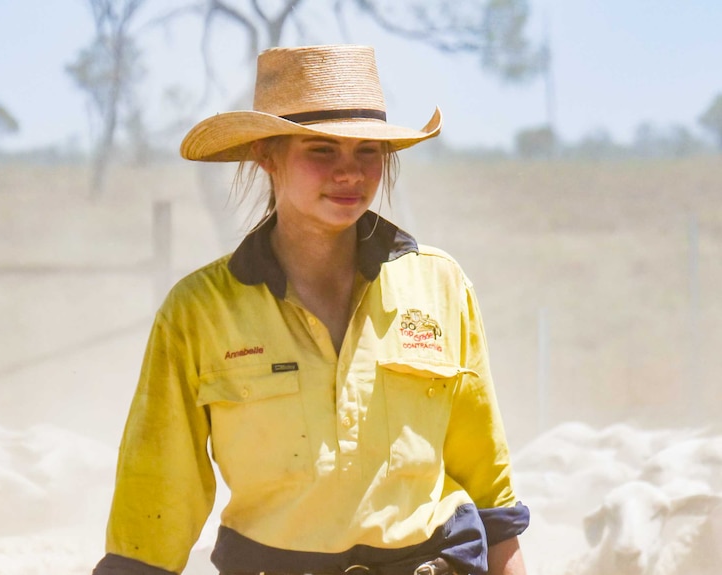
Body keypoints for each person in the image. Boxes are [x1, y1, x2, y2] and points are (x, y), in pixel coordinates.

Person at [93, 44, 529, 575]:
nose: (349, 172)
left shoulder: (440, 284)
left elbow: (489, 485)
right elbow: (155, 498)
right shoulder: (200, 310)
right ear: (266, 155)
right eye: (321, 149)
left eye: (368, 151)